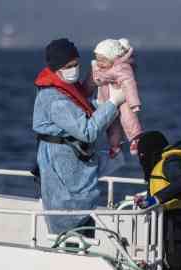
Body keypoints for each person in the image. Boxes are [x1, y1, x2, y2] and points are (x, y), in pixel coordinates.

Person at [32, 38, 126, 236]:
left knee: (82, 216)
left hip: (76, 165)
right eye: (69, 66)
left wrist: (93, 81)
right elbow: (87, 131)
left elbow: (79, 99)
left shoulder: (64, 87)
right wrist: (113, 102)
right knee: (69, 221)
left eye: (77, 64)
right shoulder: (54, 99)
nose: (74, 69)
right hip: (63, 172)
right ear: (57, 68)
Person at [134, 131, 181, 270]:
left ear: (152, 151)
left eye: (143, 155)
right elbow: (166, 187)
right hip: (168, 227)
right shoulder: (162, 164)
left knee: (175, 265)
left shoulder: (171, 162)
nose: (142, 159)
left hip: (178, 228)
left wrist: (155, 200)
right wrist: (146, 199)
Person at [87, 38, 142, 158]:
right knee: (111, 124)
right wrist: (84, 93)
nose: (99, 63)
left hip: (124, 100)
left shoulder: (122, 69)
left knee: (128, 119)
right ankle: (115, 145)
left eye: (103, 60)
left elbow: (130, 84)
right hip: (108, 100)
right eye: (98, 59)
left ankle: (135, 139)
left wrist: (134, 103)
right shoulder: (97, 69)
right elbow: (90, 83)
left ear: (113, 58)